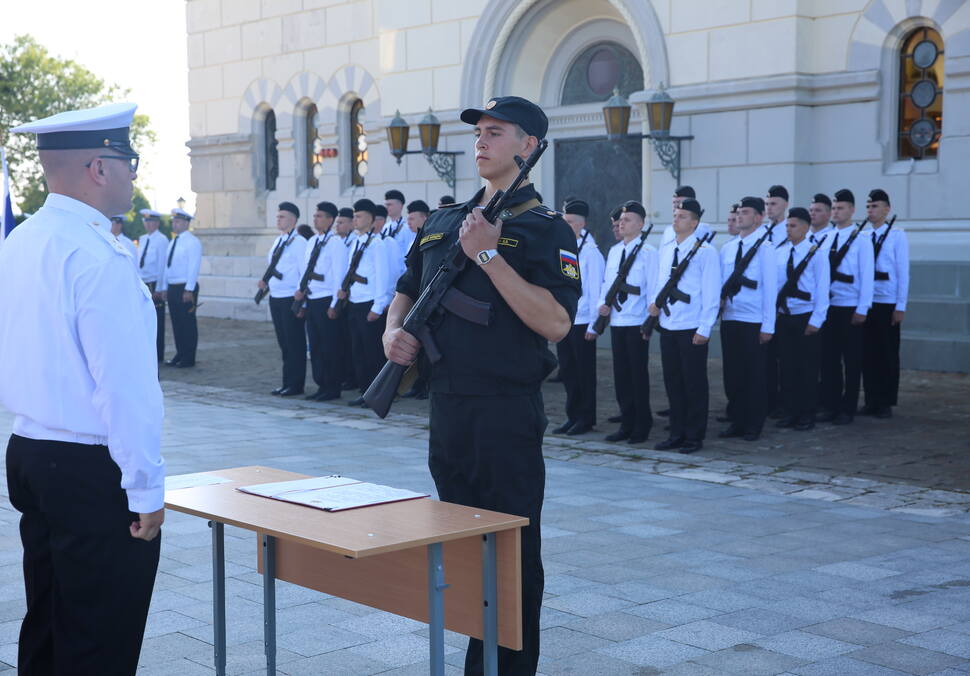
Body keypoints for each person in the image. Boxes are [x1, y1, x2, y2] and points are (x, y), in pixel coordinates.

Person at [383, 96, 579, 675]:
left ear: (529, 146)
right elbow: (406, 284)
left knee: (512, 560)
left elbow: (556, 323)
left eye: (496, 132)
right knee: (465, 555)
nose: (482, 141)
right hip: (447, 409)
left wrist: (489, 255)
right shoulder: (446, 220)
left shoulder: (546, 231)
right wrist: (393, 332)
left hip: (504, 415)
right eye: (479, 133)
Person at [0, 101, 164, 674]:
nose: (134, 173)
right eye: (130, 160)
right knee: (98, 638)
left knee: (47, 622)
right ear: (99, 167)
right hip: (91, 470)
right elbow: (126, 391)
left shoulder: (17, 244)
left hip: (28, 450)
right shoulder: (98, 256)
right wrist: (145, 491)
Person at [648, 198, 720, 454]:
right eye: (675, 215)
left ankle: (694, 436)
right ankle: (676, 433)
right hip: (668, 323)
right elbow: (660, 280)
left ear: (695, 222)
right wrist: (654, 305)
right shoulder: (668, 248)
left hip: (692, 326)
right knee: (673, 382)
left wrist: (705, 328)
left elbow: (711, 293)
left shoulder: (705, 252)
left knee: (694, 384)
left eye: (682, 216)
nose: (676, 219)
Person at [593, 201, 656, 443]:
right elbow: (607, 283)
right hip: (617, 320)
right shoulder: (615, 251)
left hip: (637, 321)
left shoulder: (649, 253)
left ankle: (642, 425)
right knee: (621, 376)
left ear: (641, 224)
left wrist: (650, 320)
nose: (622, 223)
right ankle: (626, 423)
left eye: (628, 219)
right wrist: (602, 304)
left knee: (638, 376)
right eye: (621, 220)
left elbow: (652, 289)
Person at [718, 196, 777, 441]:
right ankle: (737, 420)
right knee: (733, 374)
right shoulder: (728, 248)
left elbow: (771, 289)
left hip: (753, 319)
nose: (740, 216)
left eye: (746, 212)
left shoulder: (766, 248)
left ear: (758, 217)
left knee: (754, 375)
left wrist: (768, 325)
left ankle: (754, 424)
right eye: (738, 212)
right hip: (731, 317)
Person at [818, 188, 874, 425]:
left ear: (851, 210)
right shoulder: (826, 238)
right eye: (834, 208)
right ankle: (830, 404)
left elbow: (867, 275)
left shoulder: (862, 240)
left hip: (850, 306)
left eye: (841, 208)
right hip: (829, 306)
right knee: (828, 359)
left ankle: (848, 407)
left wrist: (863, 307)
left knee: (851, 360)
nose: (837, 212)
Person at [553, 199, 606, 436]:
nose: (566, 225)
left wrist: (595, 324)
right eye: (565, 221)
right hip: (565, 319)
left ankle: (586, 417)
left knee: (585, 373)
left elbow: (596, 290)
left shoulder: (591, 253)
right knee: (568, 370)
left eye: (571, 222)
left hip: (584, 320)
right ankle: (572, 415)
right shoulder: (563, 246)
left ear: (582, 224)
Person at [775, 207, 829, 431]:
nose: (789, 229)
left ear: (806, 228)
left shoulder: (816, 253)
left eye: (793, 225)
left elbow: (822, 288)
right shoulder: (780, 252)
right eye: (787, 225)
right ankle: (790, 411)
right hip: (784, 316)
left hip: (805, 316)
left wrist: (816, 320)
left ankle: (807, 413)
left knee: (807, 368)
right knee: (787, 368)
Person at [862, 188, 908, 418]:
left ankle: (886, 401)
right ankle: (871, 399)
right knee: (868, 352)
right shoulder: (864, 236)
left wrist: (900, 305)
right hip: (868, 301)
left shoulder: (897, 235)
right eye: (868, 207)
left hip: (887, 300)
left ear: (887, 209)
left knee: (887, 351)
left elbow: (903, 272)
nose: (871, 211)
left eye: (875, 206)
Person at [341, 198, 391, 406]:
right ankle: (364, 392)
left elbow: (383, 277)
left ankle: (377, 394)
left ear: (371, 219)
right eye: (354, 216)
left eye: (359, 216)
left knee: (373, 353)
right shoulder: (356, 241)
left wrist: (378, 306)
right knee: (359, 351)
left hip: (370, 304)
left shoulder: (377, 244)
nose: (355, 220)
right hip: (355, 301)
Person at [298, 201, 348, 401]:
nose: (315, 219)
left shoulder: (335, 243)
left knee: (330, 346)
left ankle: (332, 387)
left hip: (326, 300)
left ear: (330, 220)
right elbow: (305, 272)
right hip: (311, 298)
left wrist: (335, 304)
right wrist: (302, 300)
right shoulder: (312, 242)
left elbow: (338, 274)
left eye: (320, 216)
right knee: (316, 346)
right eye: (315, 216)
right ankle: (321, 384)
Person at [260, 202, 308, 396]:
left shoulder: (299, 242)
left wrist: (301, 301)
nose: (278, 219)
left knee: (294, 342)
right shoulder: (279, 240)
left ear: (293, 220)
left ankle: (296, 384)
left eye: (282, 216)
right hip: (276, 297)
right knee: (284, 343)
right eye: (278, 216)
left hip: (291, 298)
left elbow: (304, 272)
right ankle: (287, 381)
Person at [159, 207, 202, 367]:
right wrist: (164, 287)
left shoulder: (192, 242)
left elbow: (193, 267)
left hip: (185, 287)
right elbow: (167, 267)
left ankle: (189, 357)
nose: (174, 224)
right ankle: (180, 353)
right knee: (177, 323)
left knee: (187, 323)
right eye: (173, 221)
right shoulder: (173, 242)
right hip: (173, 286)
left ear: (186, 223)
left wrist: (189, 289)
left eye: (177, 221)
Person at [400, 199, 433, 400]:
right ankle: (417, 385)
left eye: (412, 218)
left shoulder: (430, 238)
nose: (409, 223)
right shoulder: (415, 239)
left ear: (424, 218)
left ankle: (424, 385)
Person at [137, 208, 169, 362]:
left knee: (157, 321)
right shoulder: (142, 239)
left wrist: (160, 288)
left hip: (154, 283)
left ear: (157, 223)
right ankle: (147, 353)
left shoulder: (162, 240)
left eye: (152, 222)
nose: (148, 225)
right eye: (146, 222)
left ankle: (158, 355)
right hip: (143, 283)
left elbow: (163, 265)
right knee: (144, 319)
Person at [334, 207, 357, 391]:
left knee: (351, 340)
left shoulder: (355, 242)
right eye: (337, 222)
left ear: (351, 224)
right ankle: (344, 374)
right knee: (341, 338)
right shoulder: (336, 242)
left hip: (352, 295)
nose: (338, 225)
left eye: (341, 222)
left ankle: (353, 376)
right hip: (340, 294)